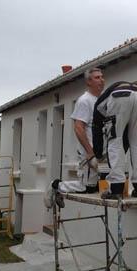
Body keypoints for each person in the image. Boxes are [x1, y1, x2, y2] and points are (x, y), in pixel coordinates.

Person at [44, 67, 104, 207]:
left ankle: (59, 190)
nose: (101, 80)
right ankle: (56, 186)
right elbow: (78, 127)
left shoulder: (101, 101)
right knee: (86, 187)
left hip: (100, 152)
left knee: (96, 187)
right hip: (89, 152)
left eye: (102, 77)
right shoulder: (84, 101)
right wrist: (89, 152)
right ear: (88, 82)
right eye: (97, 77)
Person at [92, 81, 137, 199]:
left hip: (120, 96)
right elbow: (125, 138)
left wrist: (98, 154)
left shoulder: (98, 108)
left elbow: (96, 130)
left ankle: (116, 188)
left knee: (115, 140)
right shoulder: (106, 99)